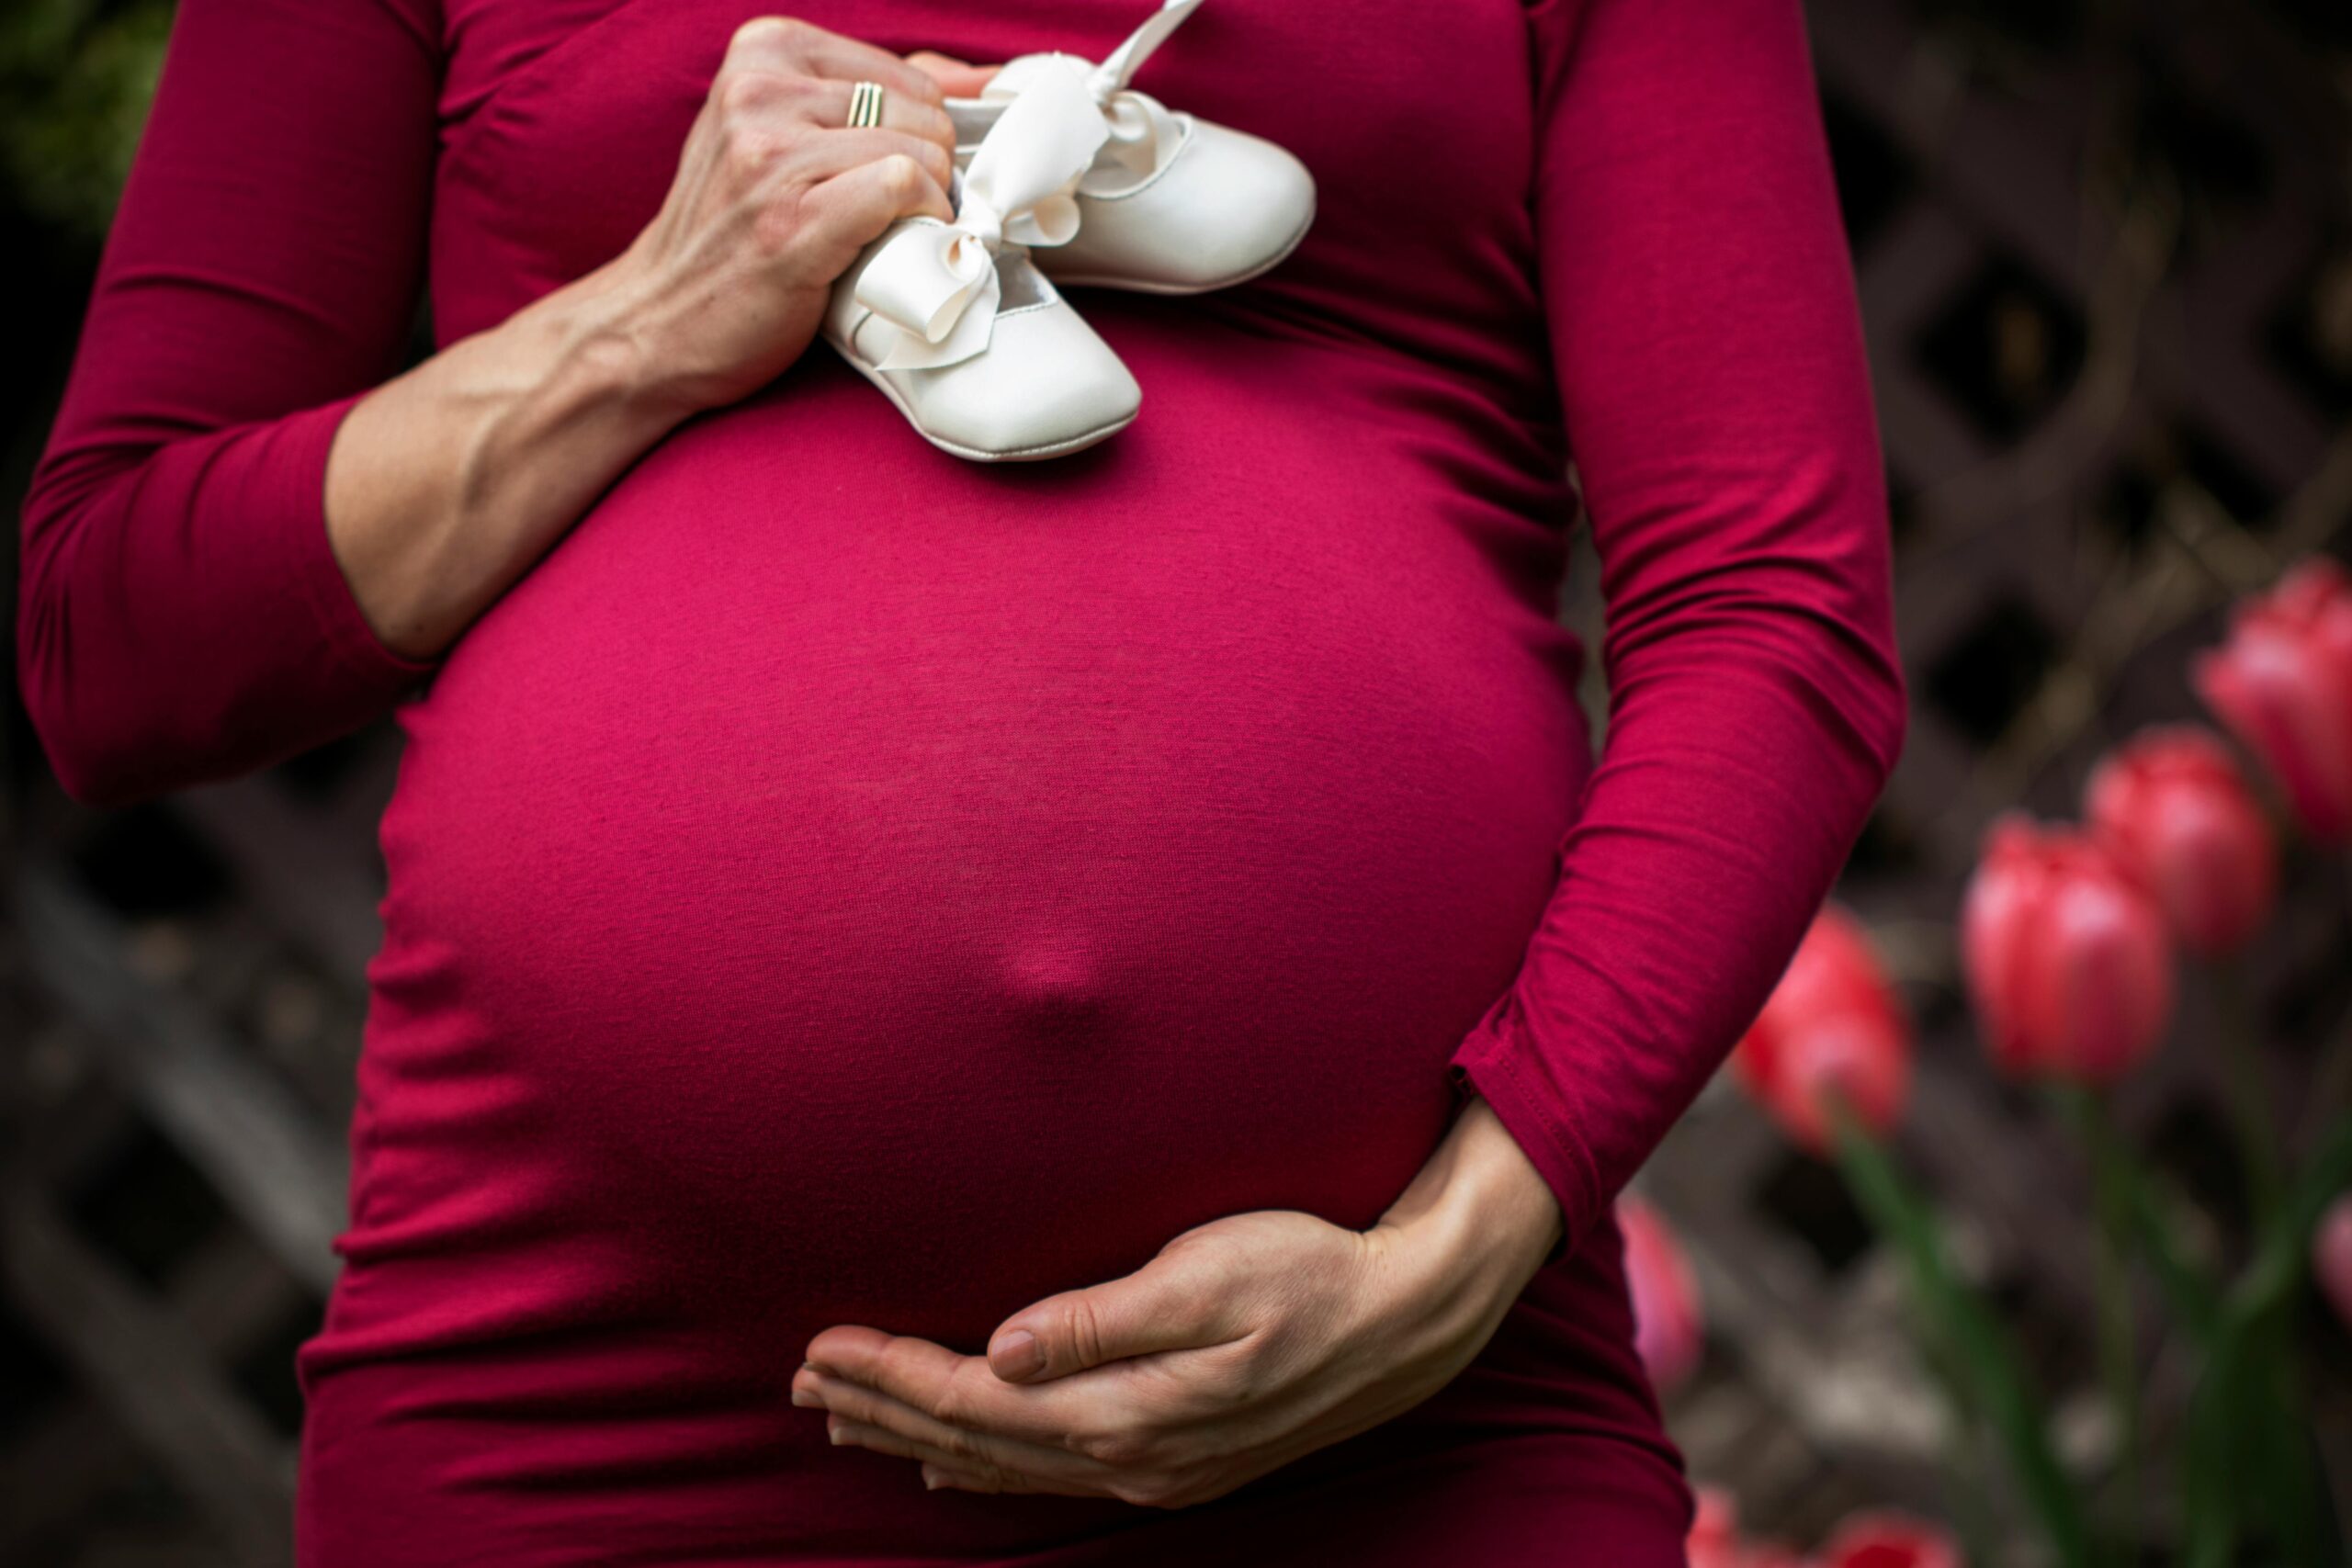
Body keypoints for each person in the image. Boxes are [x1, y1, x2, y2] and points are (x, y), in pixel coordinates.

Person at [16, 0, 1908, 1562]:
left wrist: (1455, 1253)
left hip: (1403, 1421)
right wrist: (652, 315)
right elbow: (119, 633)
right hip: (584, 1403)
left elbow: (1771, 608)